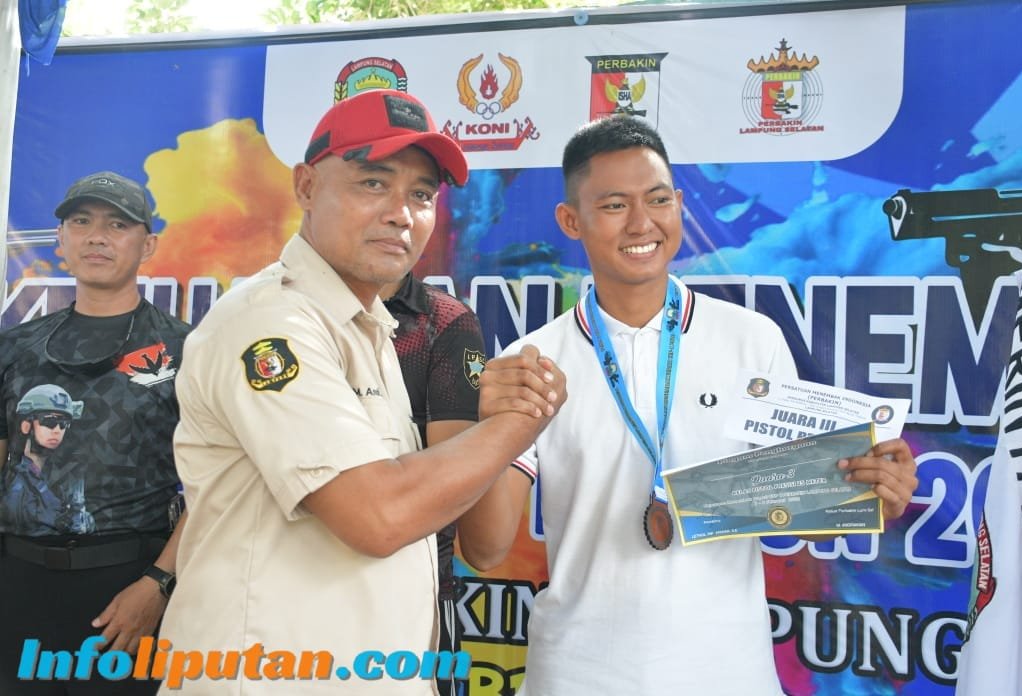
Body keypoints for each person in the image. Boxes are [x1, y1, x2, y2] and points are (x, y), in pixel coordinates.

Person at [457, 116, 920, 695]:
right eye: (614, 205)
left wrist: (872, 486)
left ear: (678, 204)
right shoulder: (536, 363)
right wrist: (495, 430)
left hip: (728, 674)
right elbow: (484, 548)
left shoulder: (752, 340)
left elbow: (810, 508)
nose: (642, 223)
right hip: (578, 675)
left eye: (656, 200)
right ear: (570, 221)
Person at [159, 89, 565, 695]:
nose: (402, 213)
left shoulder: (365, 327)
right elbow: (378, 516)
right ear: (305, 187)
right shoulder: (272, 323)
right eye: (374, 182)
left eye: (422, 195)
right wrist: (513, 423)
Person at [0, 171, 192, 694]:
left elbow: (217, 484)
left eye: (118, 224)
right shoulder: (17, 345)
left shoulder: (188, 349)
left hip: (126, 590)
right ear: (60, 240)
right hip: (18, 586)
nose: (97, 236)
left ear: (147, 244)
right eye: (80, 221)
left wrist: (158, 583)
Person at [380, 270, 487, 696]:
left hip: (412, 590)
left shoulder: (443, 321)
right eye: (373, 195)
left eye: (421, 197)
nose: (398, 214)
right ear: (309, 198)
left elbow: (449, 488)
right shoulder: (279, 314)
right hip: (289, 583)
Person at [0, 384, 94, 535]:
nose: (57, 430)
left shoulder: (67, 475)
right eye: (49, 421)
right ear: (26, 426)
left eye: (63, 424)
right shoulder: (16, 483)